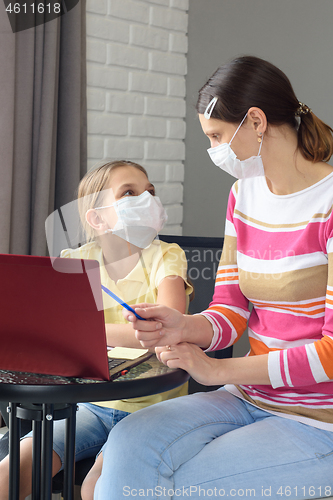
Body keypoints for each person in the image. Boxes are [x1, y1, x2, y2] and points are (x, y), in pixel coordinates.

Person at [93, 56, 333, 500]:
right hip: (248, 398)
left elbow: (331, 353)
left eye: (217, 137)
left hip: (319, 421)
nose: (215, 151)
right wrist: (182, 326)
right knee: (128, 446)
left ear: (256, 121)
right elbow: (231, 309)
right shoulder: (243, 196)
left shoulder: (329, 203)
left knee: (168, 487)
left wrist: (217, 367)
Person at [0, 160, 192, 500]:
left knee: (97, 487)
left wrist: (88, 331)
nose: (146, 199)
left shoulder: (166, 256)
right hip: (92, 404)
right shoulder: (75, 260)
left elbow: (170, 326)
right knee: (15, 466)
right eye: (129, 193)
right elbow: (53, 333)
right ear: (97, 218)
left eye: (150, 192)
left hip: (154, 407)